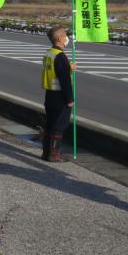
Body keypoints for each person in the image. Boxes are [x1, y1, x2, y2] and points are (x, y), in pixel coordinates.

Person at [41, 25, 75, 162]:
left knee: (49, 124)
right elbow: (64, 79)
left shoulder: (49, 53)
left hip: (50, 94)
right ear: (60, 38)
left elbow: (55, 72)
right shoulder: (60, 56)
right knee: (59, 126)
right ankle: (54, 155)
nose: (67, 38)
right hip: (60, 96)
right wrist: (69, 99)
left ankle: (46, 152)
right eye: (65, 35)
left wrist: (69, 68)